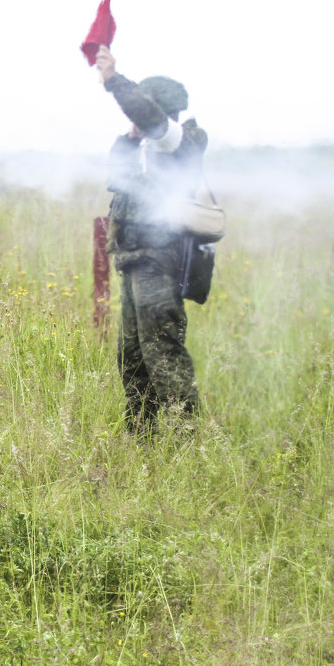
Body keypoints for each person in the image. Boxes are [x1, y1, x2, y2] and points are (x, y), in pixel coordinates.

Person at [94, 45, 205, 434]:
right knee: (134, 356)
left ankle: (189, 439)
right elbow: (116, 176)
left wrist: (113, 81)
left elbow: (150, 118)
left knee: (164, 354)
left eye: (141, 111)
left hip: (160, 263)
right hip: (135, 262)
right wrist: (129, 137)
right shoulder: (145, 147)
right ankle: (141, 436)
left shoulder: (180, 141)